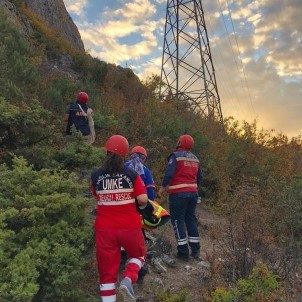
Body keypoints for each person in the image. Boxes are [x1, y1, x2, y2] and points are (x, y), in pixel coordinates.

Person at [91, 135, 150, 302]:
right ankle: (128, 278)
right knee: (138, 255)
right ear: (124, 154)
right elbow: (143, 199)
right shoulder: (132, 174)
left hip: (104, 229)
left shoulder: (96, 175)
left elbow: (96, 195)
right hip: (129, 226)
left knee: (107, 274)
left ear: (106, 152)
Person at [158, 134, 202, 261]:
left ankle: (183, 252)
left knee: (178, 220)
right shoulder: (195, 158)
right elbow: (200, 177)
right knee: (191, 219)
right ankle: (196, 249)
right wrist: (192, 188)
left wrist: (163, 186)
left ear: (180, 143)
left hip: (178, 194)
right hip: (193, 194)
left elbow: (169, 173)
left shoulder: (175, 156)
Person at [124, 145, 156, 283]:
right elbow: (150, 193)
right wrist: (149, 207)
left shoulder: (123, 166)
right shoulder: (146, 171)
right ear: (144, 158)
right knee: (139, 239)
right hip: (138, 208)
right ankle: (140, 270)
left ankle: (121, 258)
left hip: (122, 207)